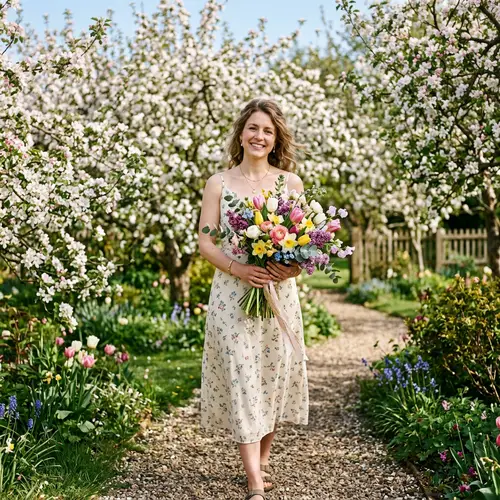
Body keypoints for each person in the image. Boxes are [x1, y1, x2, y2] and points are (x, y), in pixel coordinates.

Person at [198, 98, 309, 500]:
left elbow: (304, 245)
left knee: (270, 376)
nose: (259, 136)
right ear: (241, 134)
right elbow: (206, 243)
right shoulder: (219, 183)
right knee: (243, 376)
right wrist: (240, 269)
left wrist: (290, 268)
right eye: (252, 128)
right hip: (232, 295)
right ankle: (254, 479)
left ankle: (261, 461)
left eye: (267, 131)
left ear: (276, 138)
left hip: (278, 296)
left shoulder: (289, 183)